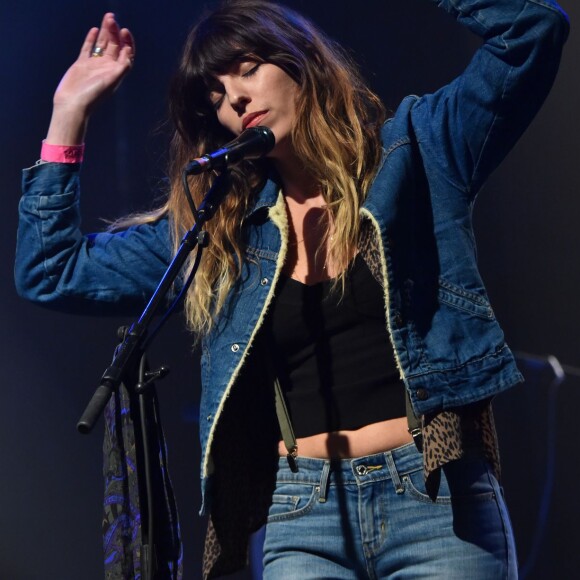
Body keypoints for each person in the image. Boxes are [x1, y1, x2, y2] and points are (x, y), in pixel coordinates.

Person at [15, 0, 569, 578]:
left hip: (438, 501)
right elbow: (50, 271)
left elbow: (532, 31)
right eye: (214, 94)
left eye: (248, 67)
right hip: (303, 516)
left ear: (301, 60)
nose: (234, 98)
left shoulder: (419, 149)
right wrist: (68, 111)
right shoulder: (222, 229)